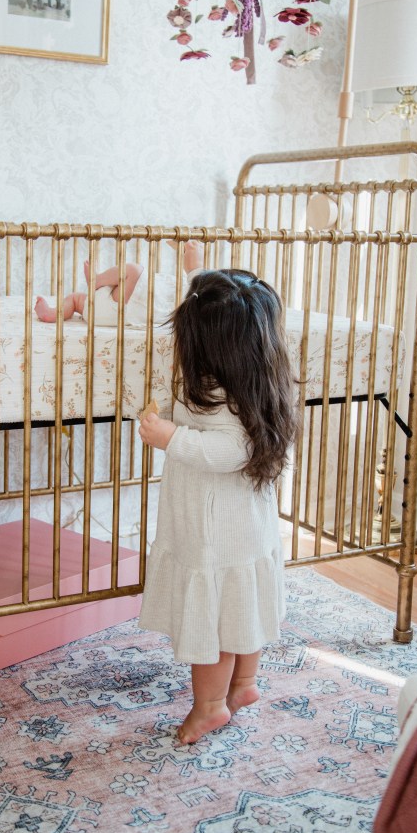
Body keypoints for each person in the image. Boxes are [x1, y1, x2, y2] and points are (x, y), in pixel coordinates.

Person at [137, 269, 298, 745]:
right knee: (242, 610)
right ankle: (243, 684)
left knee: (216, 624)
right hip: (245, 532)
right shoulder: (258, 385)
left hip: (213, 534)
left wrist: (171, 437)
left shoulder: (222, 395)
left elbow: (229, 450)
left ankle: (209, 706)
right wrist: (193, 267)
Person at [34, 240, 205, 328]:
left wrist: (196, 264)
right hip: (116, 311)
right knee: (78, 299)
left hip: (125, 306)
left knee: (133, 271)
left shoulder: (197, 293)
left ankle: (97, 280)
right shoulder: (191, 293)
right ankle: (52, 313)